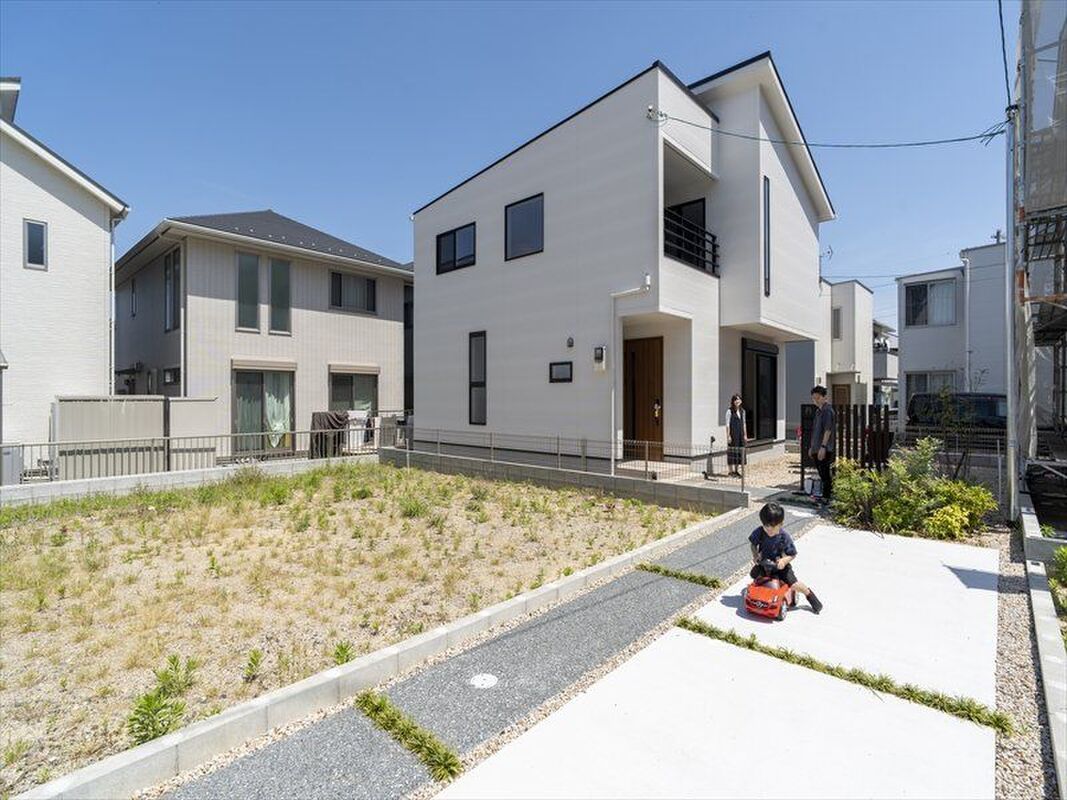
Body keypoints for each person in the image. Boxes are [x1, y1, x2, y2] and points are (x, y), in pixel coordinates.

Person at [749, 502, 823, 614]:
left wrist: (784, 560)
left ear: (780, 524)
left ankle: (809, 594)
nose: (769, 529)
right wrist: (755, 555)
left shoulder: (784, 537)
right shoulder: (759, 532)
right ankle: (761, 599)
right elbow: (753, 544)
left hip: (780, 566)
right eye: (766, 526)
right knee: (754, 575)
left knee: (793, 584)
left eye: (773, 527)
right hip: (764, 564)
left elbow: (792, 554)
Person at [809, 385, 835, 504]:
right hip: (816, 447)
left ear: (824, 397)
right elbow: (815, 431)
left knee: (825, 473)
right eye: (814, 398)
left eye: (818, 398)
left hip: (824, 448)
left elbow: (828, 430)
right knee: (821, 472)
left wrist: (823, 447)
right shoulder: (818, 411)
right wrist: (812, 447)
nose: (816, 400)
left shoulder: (827, 411)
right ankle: (825, 495)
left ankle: (827, 496)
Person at [724, 394, 747, 477]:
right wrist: (728, 436)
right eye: (736, 399)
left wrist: (745, 435)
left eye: (739, 399)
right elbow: (727, 425)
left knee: (739, 452)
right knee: (732, 452)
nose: (737, 401)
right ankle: (731, 471)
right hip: (733, 434)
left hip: (740, 434)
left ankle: (736, 471)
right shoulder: (729, 411)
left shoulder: (742, 411)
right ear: (733, 401)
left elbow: (744, 423)